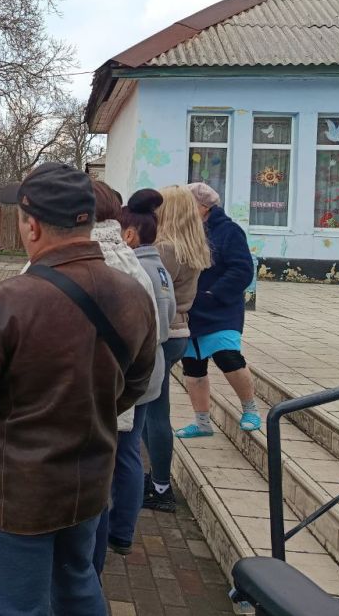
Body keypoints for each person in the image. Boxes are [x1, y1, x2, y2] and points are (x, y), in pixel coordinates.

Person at [0, 163, 157, 616]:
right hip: (89, 480)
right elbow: (136, 384)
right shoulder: (134, 292)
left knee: (14, 603)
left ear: (31, 226)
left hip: (14, 493)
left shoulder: (3, 304)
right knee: (77, 587)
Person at [85, 180, 164, 566]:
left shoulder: (94, 264)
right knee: (115, 465)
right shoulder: (130, 261)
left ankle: (100, 552)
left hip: (101, 394)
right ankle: (111, 543)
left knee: (102, 474)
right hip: (130, 385)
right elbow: (156, 331)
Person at [101, 189, 176, 554]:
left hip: (136, 372)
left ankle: (119, 531)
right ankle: (122, 530)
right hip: (151, 370)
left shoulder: (135, 269)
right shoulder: (157, 267)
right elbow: (168, 318)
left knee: (124, 455)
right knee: (128, 453)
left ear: (129, 234)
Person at [142, 185, 210, 513]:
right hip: (178, 331)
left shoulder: (166, 250)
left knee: (153, 412)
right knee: (155, 408)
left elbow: (154, 292)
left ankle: (160, 486)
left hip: (164, 333)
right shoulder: (191, 246)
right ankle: (158, 479)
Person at [175, 182, 260, 439]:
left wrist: (214, 294)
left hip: (221, 310)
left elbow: (242, 269)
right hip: (192, 310)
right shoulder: (186, 230)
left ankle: (250, 410)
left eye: (188, 205)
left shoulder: (229, 231)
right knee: (193, 367)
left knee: (228, 357)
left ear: (204, 207)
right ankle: (202, 422)